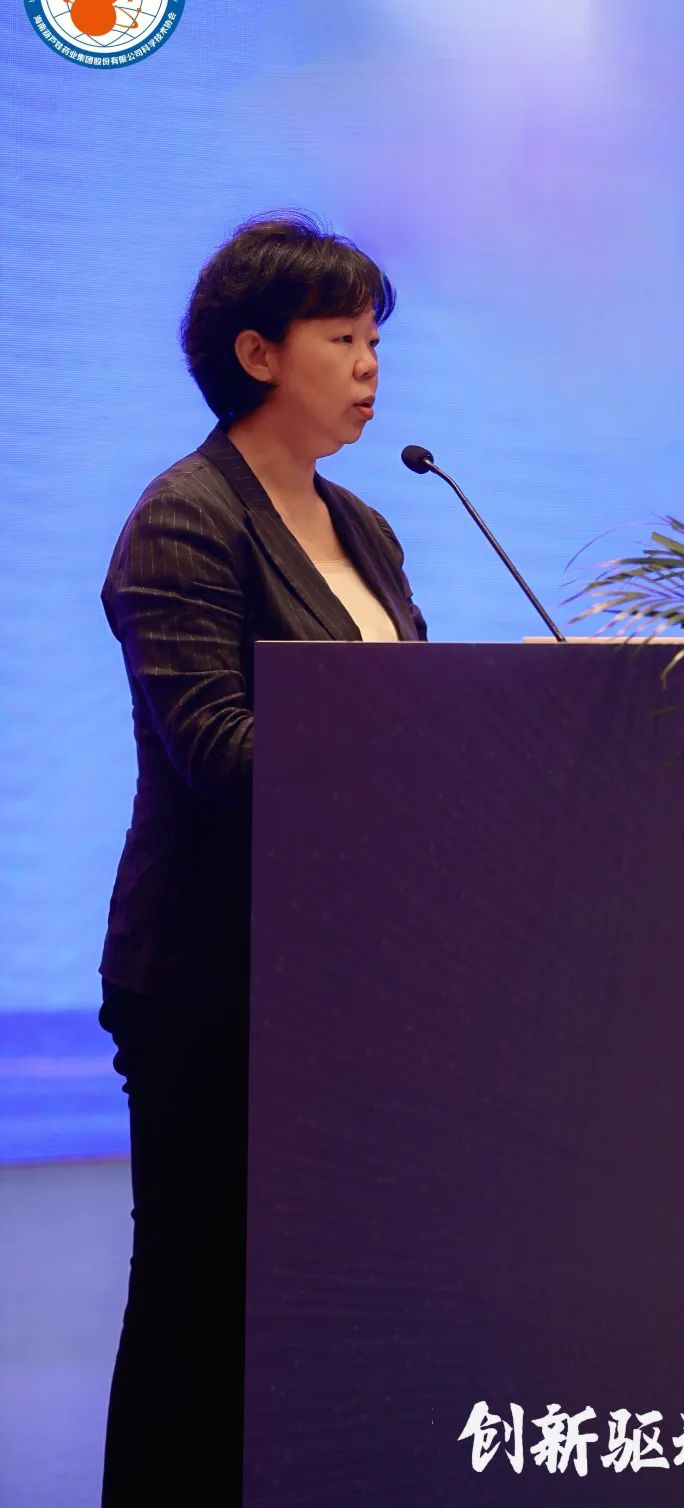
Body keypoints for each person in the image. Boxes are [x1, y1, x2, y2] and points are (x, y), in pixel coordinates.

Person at [95, 210, 427, 1505]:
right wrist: (415, 752)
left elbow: (415, 718)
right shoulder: (184, 521)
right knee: (200, 1307)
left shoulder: (366, 526)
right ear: (256, 352)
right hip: (217, 982)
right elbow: (219, 752)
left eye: (376, 340)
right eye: (342, 339)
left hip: (352, 984)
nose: (370, 365)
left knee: (337, 1309)